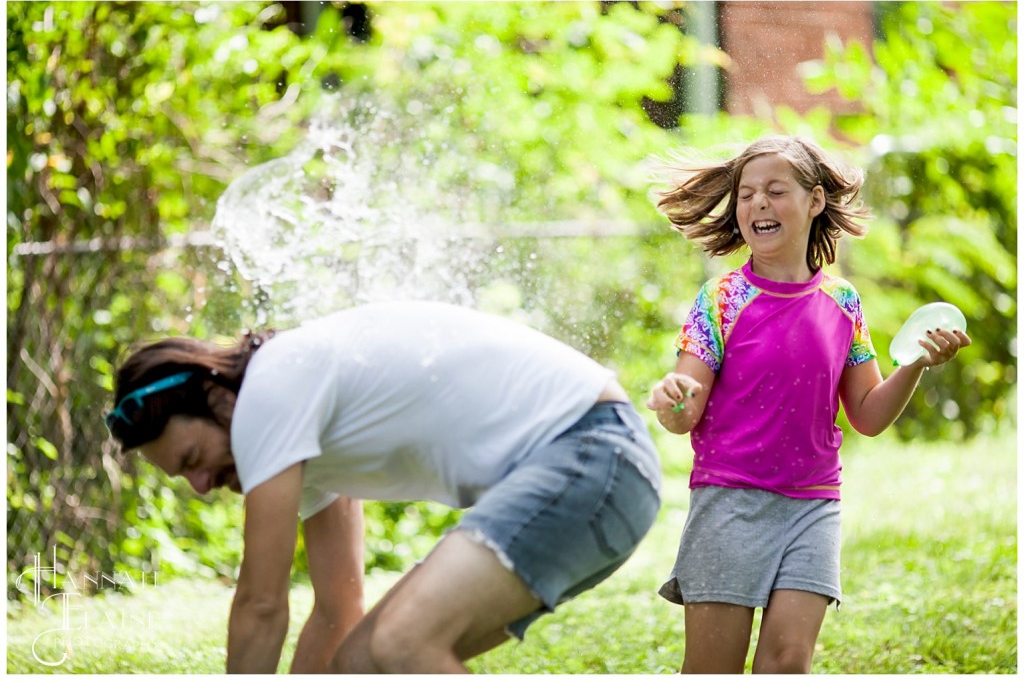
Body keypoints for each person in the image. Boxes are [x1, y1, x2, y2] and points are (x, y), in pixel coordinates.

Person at [105, 300, 661, 673]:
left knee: (402, 640)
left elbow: (261, 603)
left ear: (217, 398)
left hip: (593, 454)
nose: (201, 485)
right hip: (599, 478)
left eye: (194, 458)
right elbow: (336, 608)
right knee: (361, 666)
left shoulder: (269, 392)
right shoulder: (303, 438)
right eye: (185, 478)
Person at [646, 135, 971, 674]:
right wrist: (670, 402)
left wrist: (915, 362)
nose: (757, 205)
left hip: (812, 505)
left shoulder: (842, 302)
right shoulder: (722, 299)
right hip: (730, 504)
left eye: (775, 190)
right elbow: (684, 413)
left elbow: (866, 414)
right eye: (746, 194)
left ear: (815, 200)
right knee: (712, 669)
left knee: (788, 661)